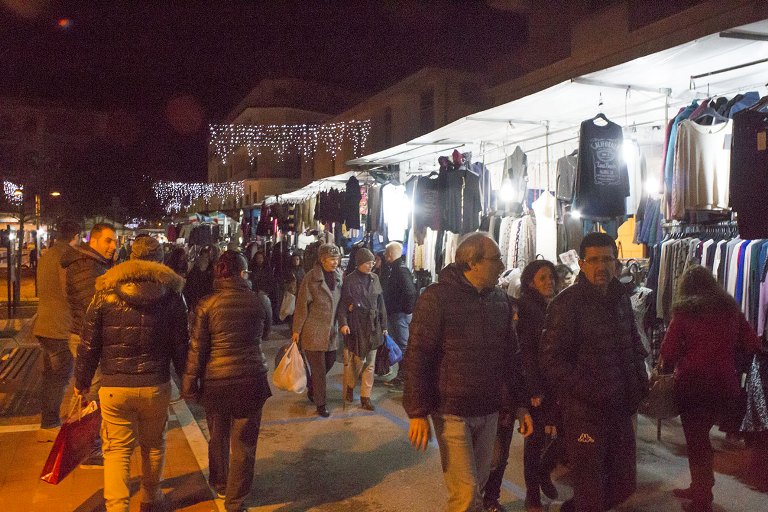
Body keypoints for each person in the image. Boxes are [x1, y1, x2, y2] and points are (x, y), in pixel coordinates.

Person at [403, 232, 533, 512]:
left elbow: (512, 356)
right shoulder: (436, 298)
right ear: (472, 263)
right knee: (466, 494)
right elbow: (418, 355)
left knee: (479, 486)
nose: (501, 265)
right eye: (495, 259)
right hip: (452, 410)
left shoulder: (500, 300)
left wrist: (522, 404)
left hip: (489, 408)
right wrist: (417, 412)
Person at [74, 235, 188, 512]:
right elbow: (182, 344)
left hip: (114, 384)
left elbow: (89, 343)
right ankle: (151, 496)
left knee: (116, 450)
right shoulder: (173, 296)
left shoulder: (106, 292)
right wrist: (187, 379)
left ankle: (117, 506)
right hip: (156, 383)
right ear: (160, 260)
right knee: (154, 443)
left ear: (131, 257)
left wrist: (82, 382)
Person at [539, 232, 649, 512]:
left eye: (608, 259)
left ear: (616, 262)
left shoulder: (620, 298)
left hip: (621, 408)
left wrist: (639, 380)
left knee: (623, 484)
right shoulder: (566, 304)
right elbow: (552, 361)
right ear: (582, 263)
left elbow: (633, 342)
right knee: (590, 487)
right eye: (595, 260)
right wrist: (591, 391)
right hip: (585, 414)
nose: (602, 266)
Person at [660, 264, 761, 512]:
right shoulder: (730, 311)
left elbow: (667, 351)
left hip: (693, 385)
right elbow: (752, 343)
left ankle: (702, 495)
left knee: (697, 441)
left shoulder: (684, 313)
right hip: (725, 385)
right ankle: (700, 485)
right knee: (703, 438)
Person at [182, 251, 272, 512]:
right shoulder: (259, 300)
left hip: (217, 382)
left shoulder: (206, 305)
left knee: (218, 436)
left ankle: (221, 482)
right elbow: (265, 333)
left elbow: (197, 349)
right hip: (251, 380)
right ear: (242, 273)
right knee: (244, 443)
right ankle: (236, 500)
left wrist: (189, 385)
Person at [486, 260, 559, 512]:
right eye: (543, 278)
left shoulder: (555, 307)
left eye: (551, 277)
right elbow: (525, 353)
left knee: (559, 435)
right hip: (534, 387)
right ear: (530, 283)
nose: (549, 281)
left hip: (554, 384)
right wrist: (533, 389)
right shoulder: (527, 309)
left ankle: (543, 472)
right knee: (534, 440)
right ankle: (532, 494)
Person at [33, 219, 81, 441]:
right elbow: (68, 290)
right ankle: (50, 420)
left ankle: (48, 418)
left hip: (44, 322)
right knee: (60, 375)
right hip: (60, 326)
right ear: (75, 235)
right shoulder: (67, 256)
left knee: (50, 375)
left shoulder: (46, 254)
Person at [292, 243, 343, 418]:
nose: (335, 262)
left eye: (337, 259)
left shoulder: (339, 277)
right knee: (320, 370)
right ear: (322, 260)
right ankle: (321, 403)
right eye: (331, 259)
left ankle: (313, 386)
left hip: (331, 332)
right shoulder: (311, 278)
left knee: (329, 361)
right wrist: (296, 330)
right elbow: (301, 306)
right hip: (313, 330)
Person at [337, 248, 387, 411]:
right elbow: (343, 304)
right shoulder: (350, 280)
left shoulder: (375, 278)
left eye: (372, 262)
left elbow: (380, 304)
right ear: (359, 264)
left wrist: (384, 325)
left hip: (373, 326)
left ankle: (366, 397)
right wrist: (343, 323)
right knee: (358, 361)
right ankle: (351, 386)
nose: (370, 266)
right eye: (367, 263)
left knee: (370, 363)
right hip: (357, 325)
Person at [380, 241, 418, 390]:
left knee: (403, 346)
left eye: (385, 253)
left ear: (389, 254)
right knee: (400, 345)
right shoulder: (395, 269)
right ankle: (402, 376)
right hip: (397, 313)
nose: (383, 256)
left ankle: (405, 378)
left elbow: (410, 292)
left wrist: (406, 310)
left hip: (399, 315)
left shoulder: (400, 270)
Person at [183, 245, 215, 312]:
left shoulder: (212, 271)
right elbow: (189, 287)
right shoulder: (194, 270)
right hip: (196, 302)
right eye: (203, 257)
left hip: (208, 301)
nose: (205, 259)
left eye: (207, 257)